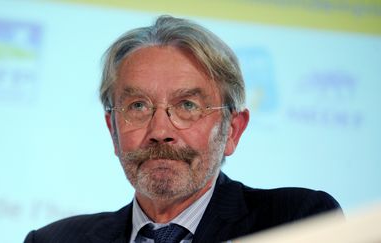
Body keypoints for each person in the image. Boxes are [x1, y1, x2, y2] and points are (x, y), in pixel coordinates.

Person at [24, 15, 341, 243]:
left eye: (187, 106)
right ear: (113, 130)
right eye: (138, 106)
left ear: (232, 130)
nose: (160, 130)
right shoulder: (53, 240)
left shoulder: (295, 222)